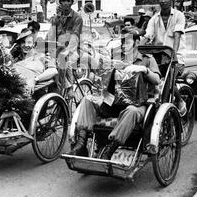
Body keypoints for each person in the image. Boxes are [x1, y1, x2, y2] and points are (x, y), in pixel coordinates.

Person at [69, 31, 161, 159]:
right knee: (88, 100)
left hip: (138, 102)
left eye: (127, 42)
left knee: (132, 111)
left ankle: (110, 149)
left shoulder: (147, 59)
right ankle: (81, 143)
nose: (123, 45)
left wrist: (144, 70)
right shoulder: (117, 57)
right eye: (122, 42)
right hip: (115, 100)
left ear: (136, 42)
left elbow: (157, 80)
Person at [140, 0, 187, 116]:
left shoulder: (179, 16)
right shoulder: (154, 19)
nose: (163, 1)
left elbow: (177, 36)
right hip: (159, 56)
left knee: (168, 82)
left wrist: (175, 56)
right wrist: (138, 50)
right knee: (154, 80)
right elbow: (147, 35)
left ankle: (180, 100)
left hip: (176, 55)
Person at [48, 0, 83, 94]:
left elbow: (75, 37)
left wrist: (67, 51)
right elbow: (51, 35)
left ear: (72, 2)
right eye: (63, 0)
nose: (66, 3)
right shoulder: (55, 18)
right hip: (58, 49)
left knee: (63, 61)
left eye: (68, 0)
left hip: (73, 50)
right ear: (60, 3)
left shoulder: (77, 18)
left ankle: (69, 87)